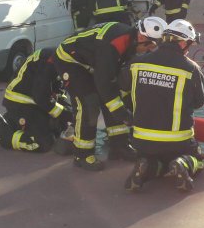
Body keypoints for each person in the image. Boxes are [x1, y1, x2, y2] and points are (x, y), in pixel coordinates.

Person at [55, 17, 166, 171]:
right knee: (89, 103)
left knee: (115, 97)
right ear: (141, 37)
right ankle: (82, 154)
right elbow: (104, 83)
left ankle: (119, 146)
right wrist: (122, 113)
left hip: (92, 61)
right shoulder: (113, 44)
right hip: (70, 61)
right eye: (149, 46)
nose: (148, 51)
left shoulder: (130, 40)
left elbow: (117, 80)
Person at [122, 19, 204, 193]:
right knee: (197, 158)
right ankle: (182, 163)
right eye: (189, 44)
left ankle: (146, 167)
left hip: (141, 140)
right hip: (178, 140)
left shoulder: (136, 63)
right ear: (182, 43)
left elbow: (123, 89)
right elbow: (199, 102)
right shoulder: (191, 69)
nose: (189, 48)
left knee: (157, 162)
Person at [0, 48, 73, 153]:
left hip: (34, 101)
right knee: (43, 143)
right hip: (20, 101)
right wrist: (65, 114)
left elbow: (58, 90)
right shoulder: (49, 61)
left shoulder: (61, 58)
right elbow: (41, 97)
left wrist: (69, 112)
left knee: (58, 128)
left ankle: (10, 121)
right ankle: (1, 131)